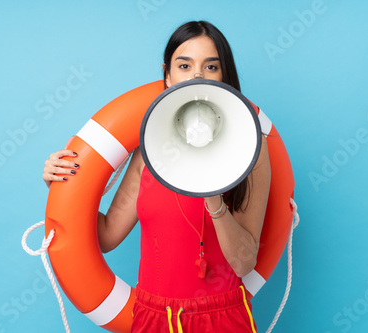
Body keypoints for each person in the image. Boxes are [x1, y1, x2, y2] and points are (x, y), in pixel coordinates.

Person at [42, 21, 270, 333]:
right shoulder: (146, 155)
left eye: (211, 66)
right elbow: (106, 236)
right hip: (152, 318)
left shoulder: (251, 152)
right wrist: (61, 189)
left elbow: (244, 263)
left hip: (221, 318)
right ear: (168, 75)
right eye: (185, 65)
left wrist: (214, 200)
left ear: (224, 76)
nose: (197, 76)